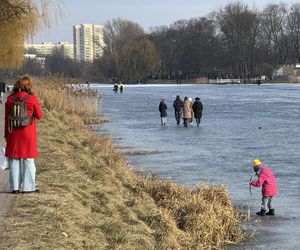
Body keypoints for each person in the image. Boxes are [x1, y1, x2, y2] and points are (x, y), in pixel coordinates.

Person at [4, 76, 43, 194]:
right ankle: (28, 187)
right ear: (28, 86)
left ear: (16, 86)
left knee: (14, 159)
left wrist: (6, 134)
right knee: (28, 159)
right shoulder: (32, 99)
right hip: (28, 133)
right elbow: (40, 116)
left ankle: (15, 188)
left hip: (13, 133)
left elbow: (6, 118)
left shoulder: (10, 99)